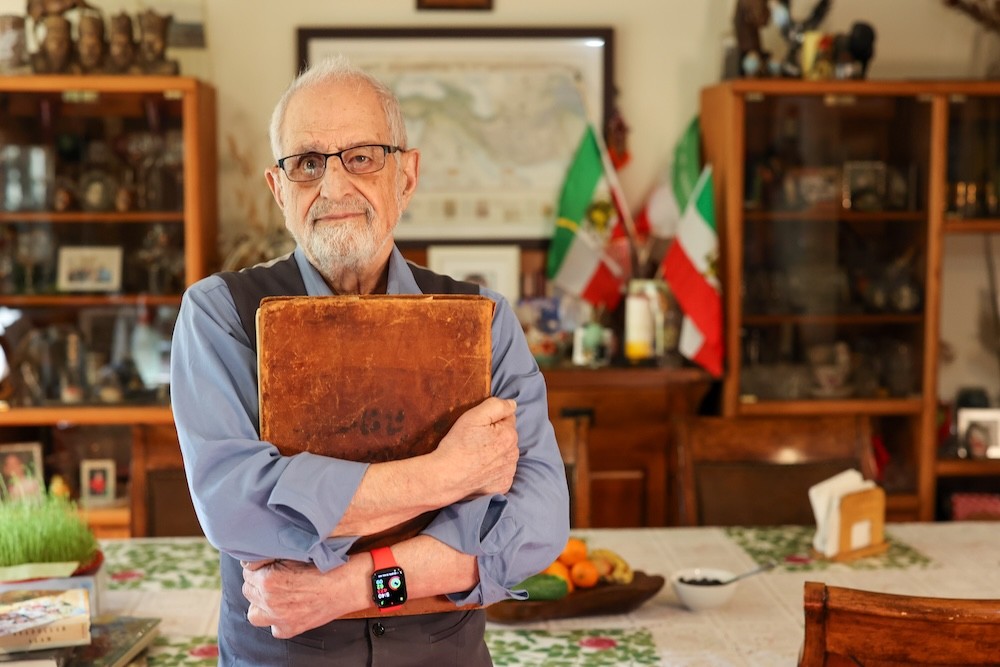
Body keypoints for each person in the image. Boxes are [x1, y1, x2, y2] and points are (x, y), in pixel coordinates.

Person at [170, 55, 569, 665]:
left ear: (406, 177)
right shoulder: (219, 315)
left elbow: (537, 522)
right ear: (279, 190)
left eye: (361, 157)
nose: (333, 188)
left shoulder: (483, 320)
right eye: (306, 164)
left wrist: (346, 588)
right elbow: (238, 508)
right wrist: (450, 476)